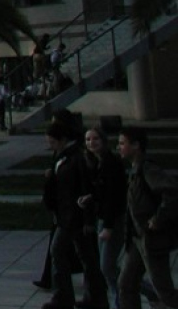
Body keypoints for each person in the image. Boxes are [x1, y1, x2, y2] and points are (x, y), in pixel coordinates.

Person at [43, 120, 107, 308]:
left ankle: (63, 297)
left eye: (52, 142)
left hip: (73, 217)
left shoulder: (77, 158)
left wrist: (87, 219)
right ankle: (95, 297)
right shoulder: (62, 156)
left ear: (63, 140)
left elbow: (84, 188)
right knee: (87, 257)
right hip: (66, 215)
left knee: (58, 251)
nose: (50, 146)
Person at [117, 126, 178, 309]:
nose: (119, 147)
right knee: (126, 284)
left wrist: (158, 219)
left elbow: (172, 192)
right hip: (138, 239)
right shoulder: (135, 169)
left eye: (122, 143)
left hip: (152, 240)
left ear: (136, 146)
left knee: (164, 291)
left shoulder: (148, 168)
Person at [80, 127, 129, 309]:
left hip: (113, 220)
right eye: (88, 139)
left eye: (95, 139)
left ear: (103, 140)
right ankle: (125, 296)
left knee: (107, 266)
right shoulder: (96, 162)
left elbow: (113, 197)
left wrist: (108, 226)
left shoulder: (111, 163)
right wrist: (90, 198)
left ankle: (122, 299)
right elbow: (102, 192)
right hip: (102, 218)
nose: (91, 143)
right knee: (105, 267)